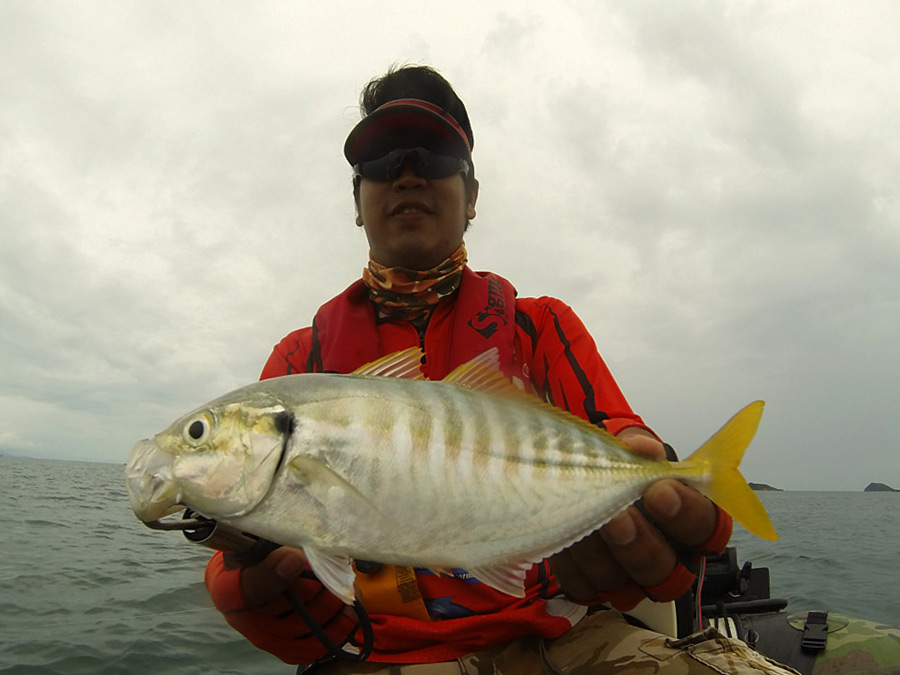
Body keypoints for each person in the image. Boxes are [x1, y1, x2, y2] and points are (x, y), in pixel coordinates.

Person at [204, 65, 796, 674]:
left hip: (561, 644)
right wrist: (245, 575)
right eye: (380, 161)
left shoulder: (542, 328)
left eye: (435, 156)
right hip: (375, 659)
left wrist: (666, 487)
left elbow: (623, 439)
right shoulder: (301, 367)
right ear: (357, 202)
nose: (407, 173)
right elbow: (245, 563)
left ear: (473, 195)